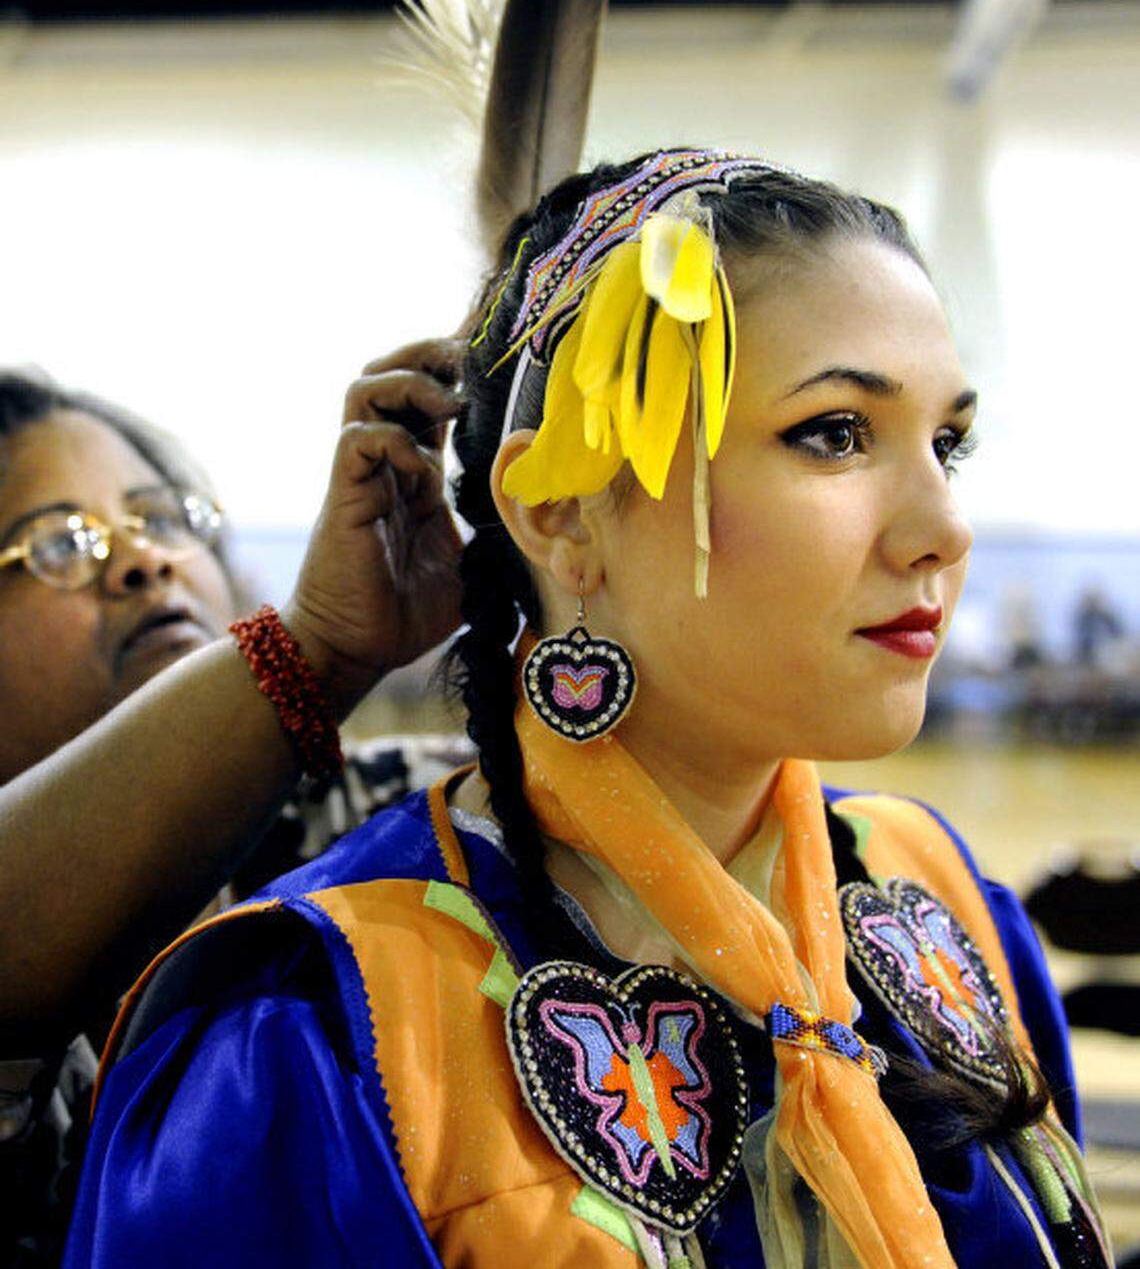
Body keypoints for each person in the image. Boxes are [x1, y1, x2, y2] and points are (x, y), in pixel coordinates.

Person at [64, 150, 1109, 1268]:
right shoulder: (329, 1027)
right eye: (835, 432)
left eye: (947, 442)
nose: (943, 525)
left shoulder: (935, 901)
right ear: (559, 511)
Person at [0, 348, 471, 1264]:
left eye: (161, 518)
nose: (143, 559)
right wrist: (316, 650)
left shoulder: (388, 812)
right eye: (60, 543)